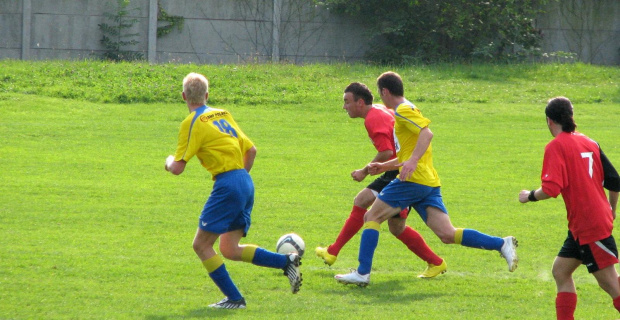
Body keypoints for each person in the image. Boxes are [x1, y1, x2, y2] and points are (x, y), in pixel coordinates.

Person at [335, 71, 518, 287]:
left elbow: (427, 133)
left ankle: (362, 273)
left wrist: (412, 162)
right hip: (427, 180)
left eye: (380, 93)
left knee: (371, 216)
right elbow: (406, 154)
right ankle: (501, 244)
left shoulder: (402, 110)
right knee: (447, 234)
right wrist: (382, 166)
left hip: (414, 180)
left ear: (385, 91)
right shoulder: (403, 110)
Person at [165, 72, 302, 309]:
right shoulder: (222, 114)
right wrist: (239, 181)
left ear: (183, 96)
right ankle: (286, 261)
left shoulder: (192, 122)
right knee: (228, 249)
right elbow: (252, 151)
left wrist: (167, 160)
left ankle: (235, 299)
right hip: (244, 181)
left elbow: (177, 168)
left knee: (201, 245)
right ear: (207, 95)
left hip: (228, 184)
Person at [316, 82, 447, 278]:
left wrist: (365, 171)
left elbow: (386, 152)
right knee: (397, 228)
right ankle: (436, 262)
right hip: (401, 168)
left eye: (347, 102)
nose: (344, 107)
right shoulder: (379, 108)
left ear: (360, 102)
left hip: (398, 171)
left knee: (362, 203)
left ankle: (336, 253)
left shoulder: (372, 118)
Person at [518, 97, 620, 319]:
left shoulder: (556, 146)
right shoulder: (589, 142)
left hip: (589, 226)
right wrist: (612, 210)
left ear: (549, 121)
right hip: (583, 225)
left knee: (612, 286)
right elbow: (615, 181)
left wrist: (529, 197)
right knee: (561, 271)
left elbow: (551, 189)